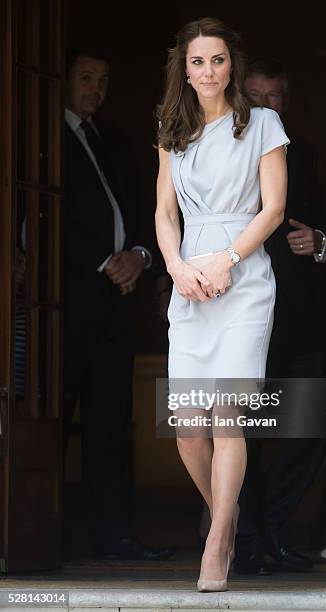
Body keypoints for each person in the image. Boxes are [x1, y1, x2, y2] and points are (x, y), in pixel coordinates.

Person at [155, 19, 289, 592]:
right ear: (182, 70)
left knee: (227, 417)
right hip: (189, 283)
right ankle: (231, 520)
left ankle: (216, 542)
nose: (207, 71)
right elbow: (164, 213)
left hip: (244, 279)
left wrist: (225, 260)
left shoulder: (261, 123)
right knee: (188, 427)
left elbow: (274, 210)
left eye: (217, 60)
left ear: (231, 64)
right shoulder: (170, 128)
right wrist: (179, 268)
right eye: (196, 62)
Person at [63, 47, 172, 561]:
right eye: (85, 77)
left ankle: (115, 536)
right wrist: (104, 259)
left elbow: (146, 209)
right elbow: (43, 217)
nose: (96, 88)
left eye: (103, 79)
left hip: (117, 304)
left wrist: (140, 255)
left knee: (110, 425)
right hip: (62, 307)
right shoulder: (40, 137)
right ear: (61, 81)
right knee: (50, 422)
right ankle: (37, 532)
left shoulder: (113, 140)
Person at [234, 59, 326, 575]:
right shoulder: (222, 156)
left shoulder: (308, 157)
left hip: (302, 318)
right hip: (244, 315)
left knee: (310, 423)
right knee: (239, 432)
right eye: (256, 97)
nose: (268, 107)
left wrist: (318, 243)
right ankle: (246, 538)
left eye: (277, 97)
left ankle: (272, 528)